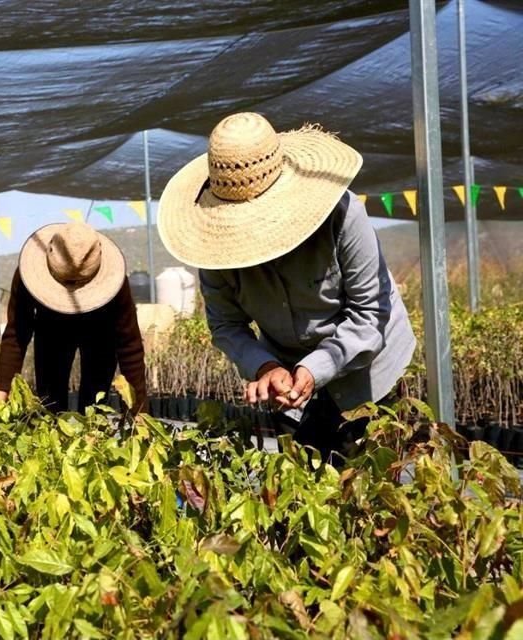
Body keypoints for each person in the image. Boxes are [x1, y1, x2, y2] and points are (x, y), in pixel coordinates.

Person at [157, 112, 416, 464]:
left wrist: (314, 368)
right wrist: (266, 368)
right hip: (286, 384)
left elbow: (370, 314)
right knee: (302, 491)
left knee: (367, 491)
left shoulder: (342, 215)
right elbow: (226, 325)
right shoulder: (212, 247)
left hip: (367, 375)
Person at [0, 222, 147, 420]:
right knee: (49, 407)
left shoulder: (115, 284)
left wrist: (139, 415)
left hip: (100, 330)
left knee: (95, 409)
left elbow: (129, 346)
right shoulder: (28, 277)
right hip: (52, 328)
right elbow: (16, 336)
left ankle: (94, 434)